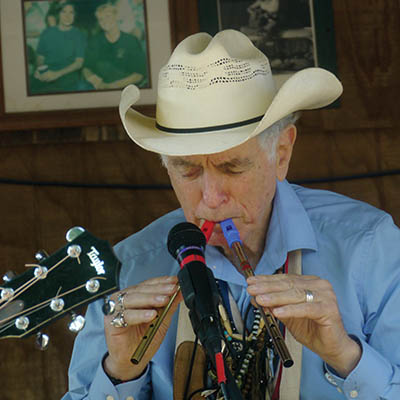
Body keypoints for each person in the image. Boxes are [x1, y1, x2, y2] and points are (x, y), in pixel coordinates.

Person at [62, 29, 400, 399]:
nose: (209, 199)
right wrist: (121, 371)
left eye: (232, 168)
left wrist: (344, 355)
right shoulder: (124, 270)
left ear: (282, 154)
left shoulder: (370, 247)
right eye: (187, 170)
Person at [82, 1, 147, 91]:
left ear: (116, 16)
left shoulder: (131, 40)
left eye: (108, 16)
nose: (105, 21)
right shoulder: (94, 41)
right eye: (101, 19)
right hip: (102, 89)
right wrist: (98, 83)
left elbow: (139, 75)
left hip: (127, 89)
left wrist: (113, 86)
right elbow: (86, 68)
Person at [30, 1, 86, 94]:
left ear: (74, 16)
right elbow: (40, 57)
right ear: (58, 14)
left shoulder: (79, 35)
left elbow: (79, 63)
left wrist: (56, 74)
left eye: (71, 12)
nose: (67, 16)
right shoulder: (47, 33)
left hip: (67, 77)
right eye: (63, 12)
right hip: (46, 74)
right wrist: (39, 70)